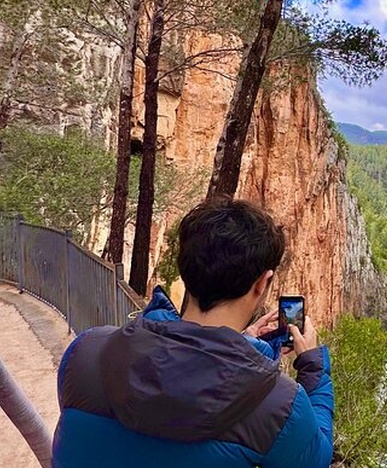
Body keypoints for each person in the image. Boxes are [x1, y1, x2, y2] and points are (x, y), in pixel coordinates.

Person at [52, 198, 334, 468]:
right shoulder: (279, 405)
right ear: (262, 283)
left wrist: (243, 343)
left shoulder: (85, 353)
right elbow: (315, 459)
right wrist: (312, 366)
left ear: (186, 269)